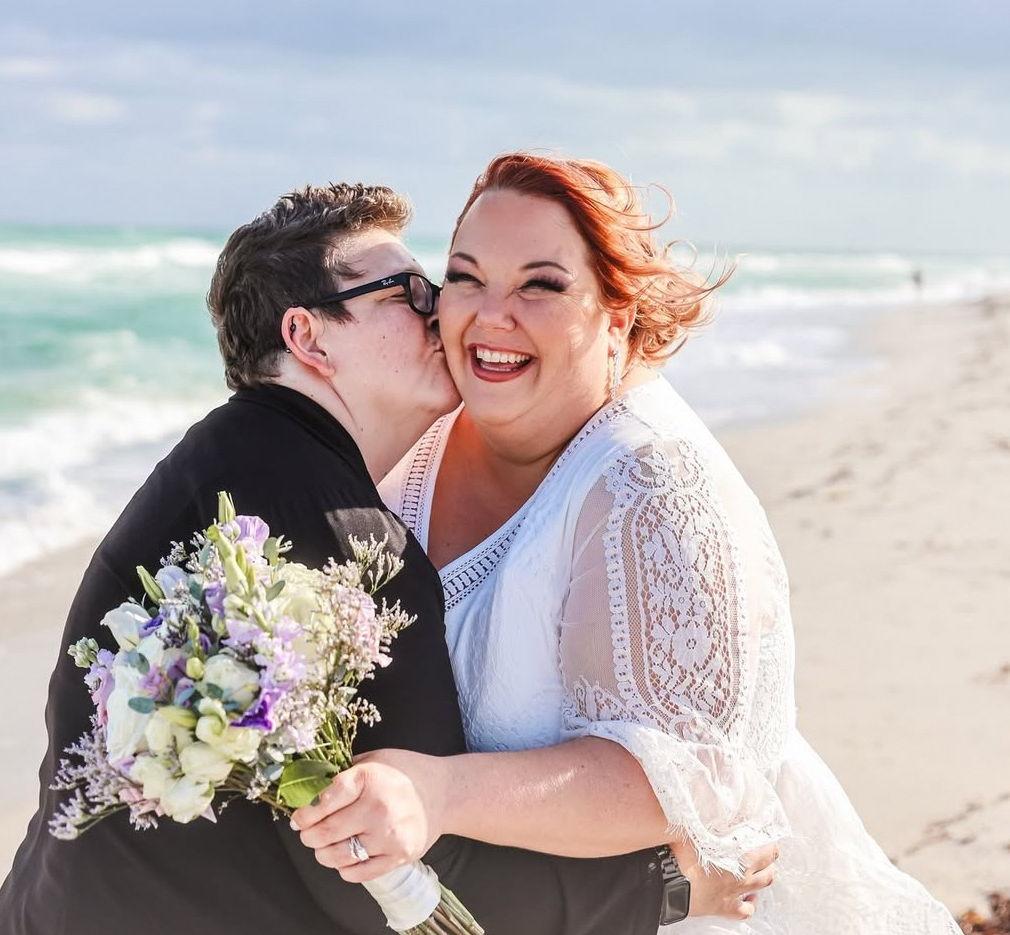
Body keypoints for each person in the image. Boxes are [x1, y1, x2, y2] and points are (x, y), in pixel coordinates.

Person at [0, 182, 761, 935]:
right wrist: (666, 888)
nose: (440, 312)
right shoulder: (345, 541)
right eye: (406, 292)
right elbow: (382, 870)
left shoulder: (219, 464)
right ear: (309, 338)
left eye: (437, 286)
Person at [298, 154, 962, 933]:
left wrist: (438, 793)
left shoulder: (652, 482)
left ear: (618, 314)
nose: (490, 316)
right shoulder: (421, 431)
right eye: (467, 278)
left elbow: (689, 782)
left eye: (541, 285)